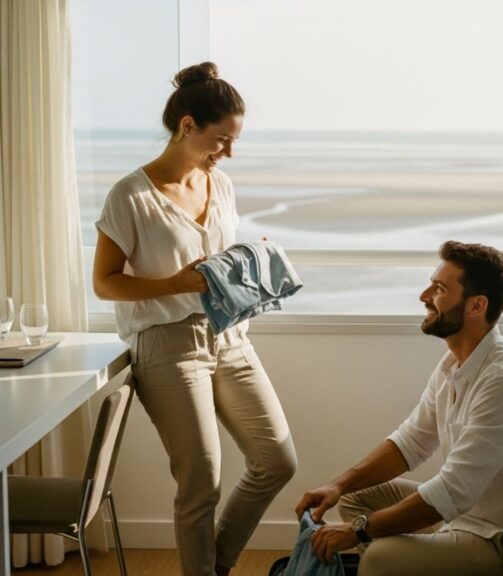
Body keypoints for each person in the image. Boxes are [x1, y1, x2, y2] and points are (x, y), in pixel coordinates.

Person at [93, 62, 297, 576]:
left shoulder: (220, 185)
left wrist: (251, 261)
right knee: (201, 481)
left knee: (277, 460)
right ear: (188, 126)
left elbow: (218, 264)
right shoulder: (131, 196)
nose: (227, 152)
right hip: (167, 345)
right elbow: (105, 282)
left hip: (230, 335)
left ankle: (213, 567)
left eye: (232, 142)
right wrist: (175, 284)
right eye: (221, 140)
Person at [295, 241, 503, 576]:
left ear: (477, 306)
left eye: (439, 289)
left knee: (379, 557)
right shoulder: (454, 363)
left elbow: (452, 490)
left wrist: (357, 530)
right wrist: (338, 485)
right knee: (353, 499)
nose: (424, 296)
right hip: (460, 519)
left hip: (501, 543)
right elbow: (411, 443)